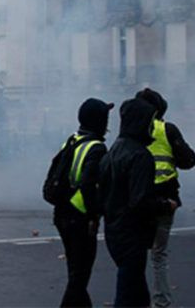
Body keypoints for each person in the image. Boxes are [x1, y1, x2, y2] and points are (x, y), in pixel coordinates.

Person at [98, 98, 177, 307]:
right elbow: (140, 200)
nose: (152, 127)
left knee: (136, 292)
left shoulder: (113, 151)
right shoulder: (139, 155)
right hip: (132, 233)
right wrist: (165, 205)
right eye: (150, 122)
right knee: (128, 293)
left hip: (114, 230)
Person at [134, 88, 195, 308]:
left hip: (138, 200)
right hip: (165, 200)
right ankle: (161, 302)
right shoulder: (167, 130)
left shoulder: (131, 132)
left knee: (136, 255)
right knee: (159, 256)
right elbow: (189, 160)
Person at [52, 98, 112, 307]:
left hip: (62, 214)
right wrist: (95, 215)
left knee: (75, 273)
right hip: (80, 217)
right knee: (79, 278)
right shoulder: (96, 148)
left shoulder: (71, 141)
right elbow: (88, 185)